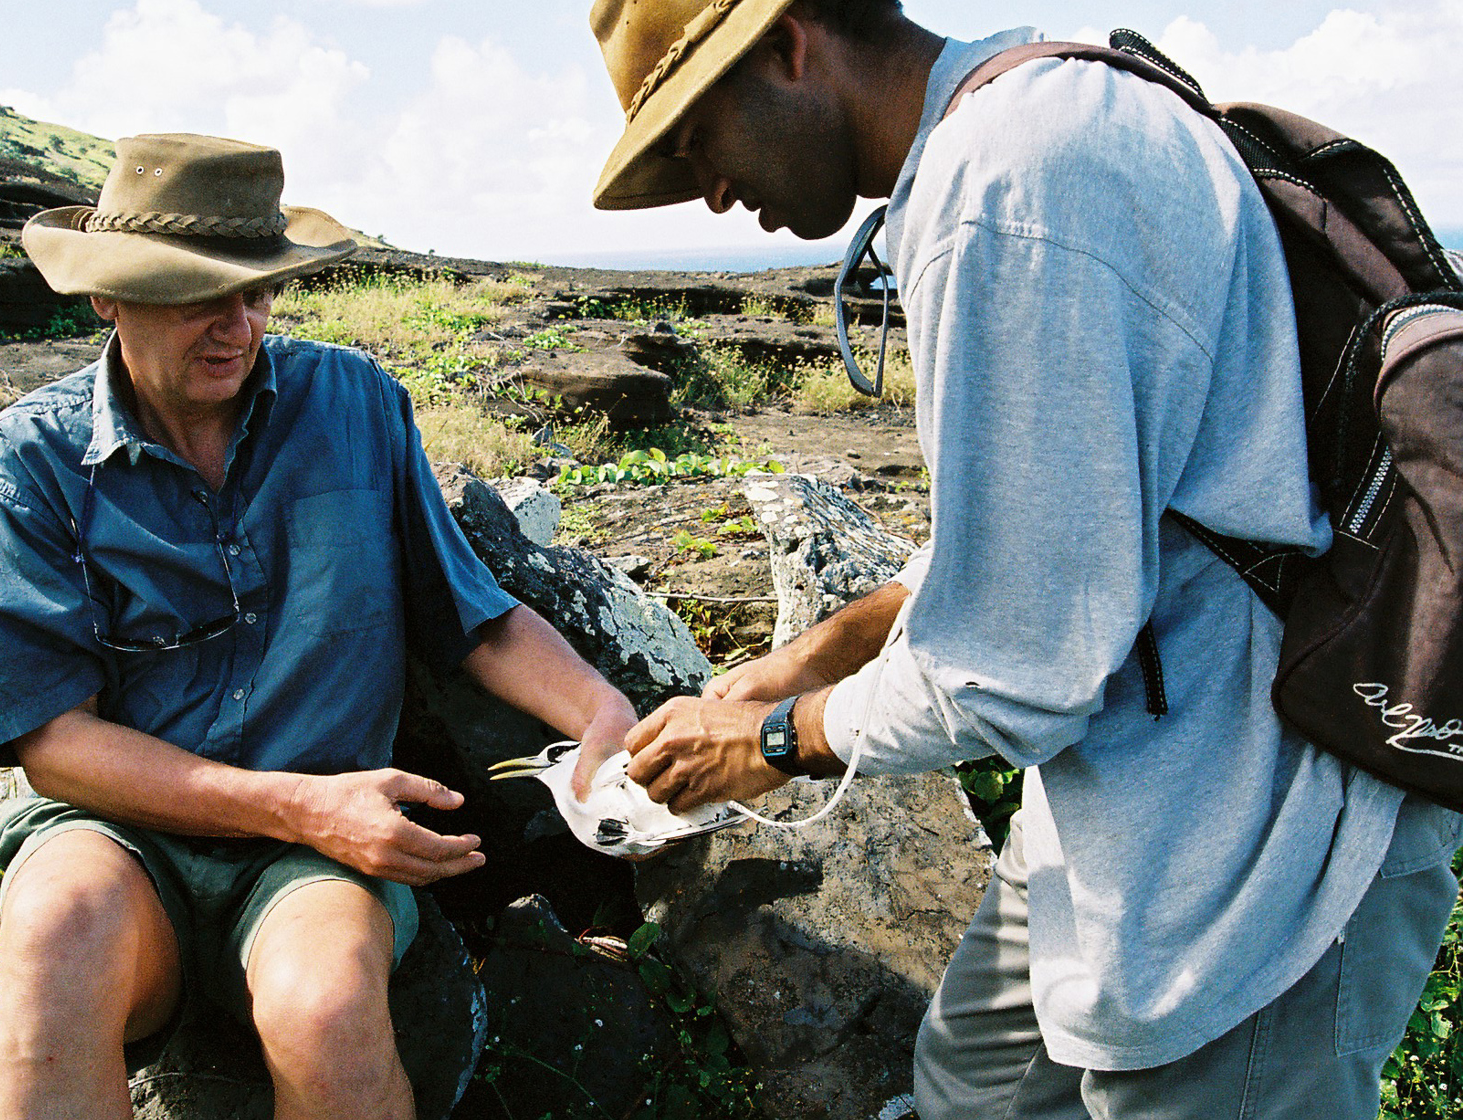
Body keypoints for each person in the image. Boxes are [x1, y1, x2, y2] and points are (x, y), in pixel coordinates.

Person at [587, 2, 1463, 1116]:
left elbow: (1016, 668)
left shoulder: (1004, 190)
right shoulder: (1042, 105)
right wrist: (808, 660)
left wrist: (769, 742)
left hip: (1258, 847)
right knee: (976, 1085)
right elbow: (1031, 528)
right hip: (1144, 790)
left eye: (696, 139)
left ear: (790, 47)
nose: (707, 190)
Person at [0, 132, 636, 1120]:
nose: (238, 324)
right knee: (54, 946)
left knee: (324, 1011)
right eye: (199, 292)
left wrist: (604, 709)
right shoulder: (28, 464)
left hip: (312, 862)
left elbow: (473, 618)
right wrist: (302, 806)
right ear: (107, 293)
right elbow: (55, 744)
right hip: (116, 833)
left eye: (260, 290)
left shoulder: (354, 406)